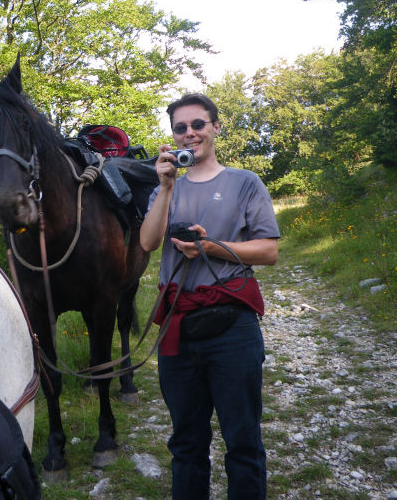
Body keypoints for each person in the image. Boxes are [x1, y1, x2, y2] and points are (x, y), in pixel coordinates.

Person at [140, 92, 280, 499]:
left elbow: (268, 251)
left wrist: (212, 246)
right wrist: (165, 187)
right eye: (180, 128)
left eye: (198, 124)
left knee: (243, 440)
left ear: (216, 128)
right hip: (178, 328)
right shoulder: (164, 188)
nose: (190, 134)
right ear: (173, 137)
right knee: (185, 443)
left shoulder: (244, 182)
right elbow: (148, 243)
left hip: (231, 326)